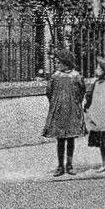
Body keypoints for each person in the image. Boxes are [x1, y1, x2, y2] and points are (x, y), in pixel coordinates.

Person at [42, 48, 86, 177]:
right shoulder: (55, 76)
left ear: (66, 62)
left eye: (58, 62)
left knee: (71, 139)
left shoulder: (76, 76)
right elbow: (48, 92)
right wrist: (56, 104)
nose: (56, 64)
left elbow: (82, 91)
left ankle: (70, 165)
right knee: (60, 140)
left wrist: (76, 103)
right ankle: (60, 166)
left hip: (72, 110)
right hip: (59, 111)